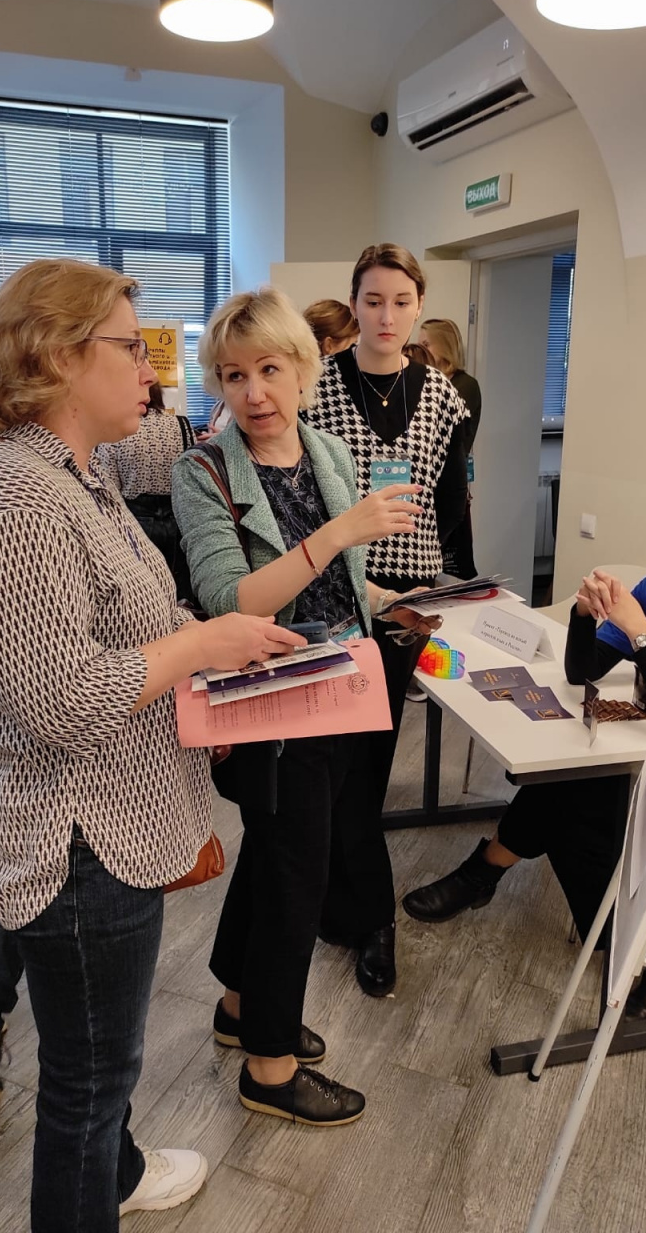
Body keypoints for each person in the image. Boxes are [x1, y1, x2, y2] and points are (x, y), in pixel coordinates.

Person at [0, 258, 302, 1232]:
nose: (151, 370)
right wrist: (199, 647)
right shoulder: (16, 497)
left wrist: (208, 669)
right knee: (87, 1083)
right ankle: (95, 1186)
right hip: (77, 842)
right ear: (61, 357)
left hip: (111, 822)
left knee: (101, 1065)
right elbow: (58, 698)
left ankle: (119, 1174)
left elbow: (134, 620)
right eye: (131, 348)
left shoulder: (79, 476)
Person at [172, 286, 437, 1123]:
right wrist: (339, 534)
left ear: (303, 370)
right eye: (233, 375)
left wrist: (390, 600)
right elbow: (229, 601)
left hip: (339, 686)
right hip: (271, 700)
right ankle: (270, 1066)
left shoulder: (324, 450)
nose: (253, 393)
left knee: (276, 854)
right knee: (298, 875)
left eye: (269, 370)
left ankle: (239, 1006)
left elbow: (340, 580)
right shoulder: (203, 471)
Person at [404, 489, 646, 1020]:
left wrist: (640, 632)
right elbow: (582, 671)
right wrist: (582, 614)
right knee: (575, 791)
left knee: (577, 802)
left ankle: (484, 872)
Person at [305, 244, 468, 996]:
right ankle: (361, 910)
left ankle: (358, 910)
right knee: (335, 758)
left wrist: (444, 580)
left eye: (401, 301)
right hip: (334, 589)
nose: (386, 315)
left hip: (408, 598)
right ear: (355, 304)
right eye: (372, 300)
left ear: (418, 305)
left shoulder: (441, 395)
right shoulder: (316, 386)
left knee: (373, 754)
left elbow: (450, 501)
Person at [95, 377, 196, 600]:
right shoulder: (182, 424)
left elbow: (109, 487)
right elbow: (192, 472)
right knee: (181, 589)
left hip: (136, 520)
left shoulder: (115, 431)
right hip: (179, 518)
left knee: (147, 591)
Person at [419, 318, 481, 580]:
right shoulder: (425, 382)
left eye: (426, 344)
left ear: (444, 346)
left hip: (447, 487)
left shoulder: (464, 386)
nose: (420, 350)